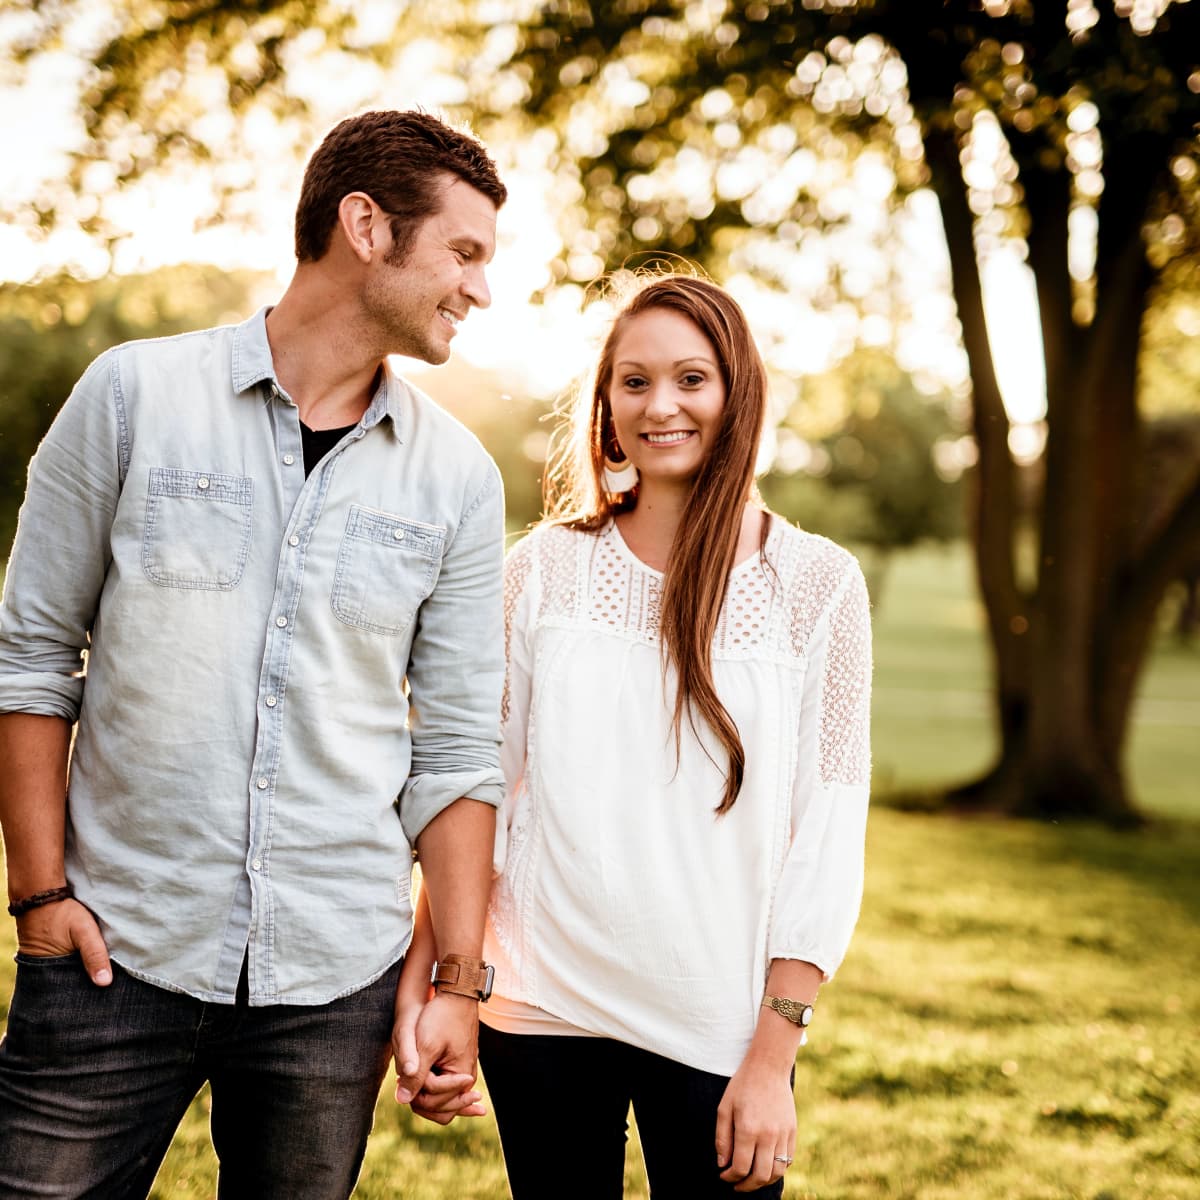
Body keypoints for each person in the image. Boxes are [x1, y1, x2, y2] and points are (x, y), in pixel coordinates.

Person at [0, 109, 508, 1198]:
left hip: (332, 979)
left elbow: (461, 745)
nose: (479, 289)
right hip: (111, 952)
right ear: (364, 225)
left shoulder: (458, 479)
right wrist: (40, 899)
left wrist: (457, 980)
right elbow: (33, 660)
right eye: (462, 253)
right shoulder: (133, 396)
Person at [476, 273, 872, 1197]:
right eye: (635, 381)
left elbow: (830, 827)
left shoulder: (816, 584)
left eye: (692, 379)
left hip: (719, 1025)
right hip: (542, 1005)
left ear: (738, 395)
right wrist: (446, 982)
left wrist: (774, 1054)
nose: (662, 406)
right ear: (606, 403)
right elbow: (483, 787)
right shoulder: (540, 571)